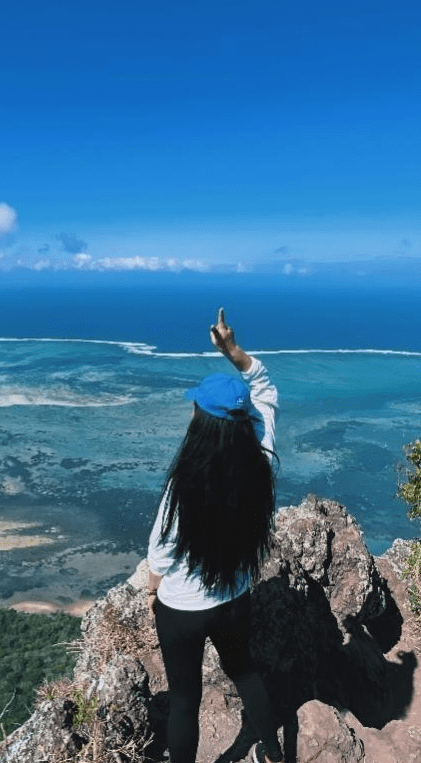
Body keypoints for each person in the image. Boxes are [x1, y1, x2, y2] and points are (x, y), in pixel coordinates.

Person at [146, 308, 284, 763]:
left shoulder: (183, 484)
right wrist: (233, 351)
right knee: (244, 672)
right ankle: (272, 750)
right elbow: (265, 388)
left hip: (182, 610)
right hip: (233, 596)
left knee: (185, 700)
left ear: (200, 420)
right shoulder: (260, 457)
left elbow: (160, 555)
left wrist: (151, 593)